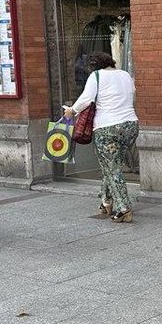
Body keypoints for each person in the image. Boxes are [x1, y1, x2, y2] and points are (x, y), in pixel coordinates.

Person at [64, 51, 138, 223]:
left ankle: (124, 208)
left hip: (107, 128)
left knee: (113, 168)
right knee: (111, 164)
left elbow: (86, 99)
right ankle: (106, 202)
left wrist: (71, 111)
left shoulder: (97, 76)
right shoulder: (126, 75)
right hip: (131, 125)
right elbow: (131, 94)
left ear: (94, 66)